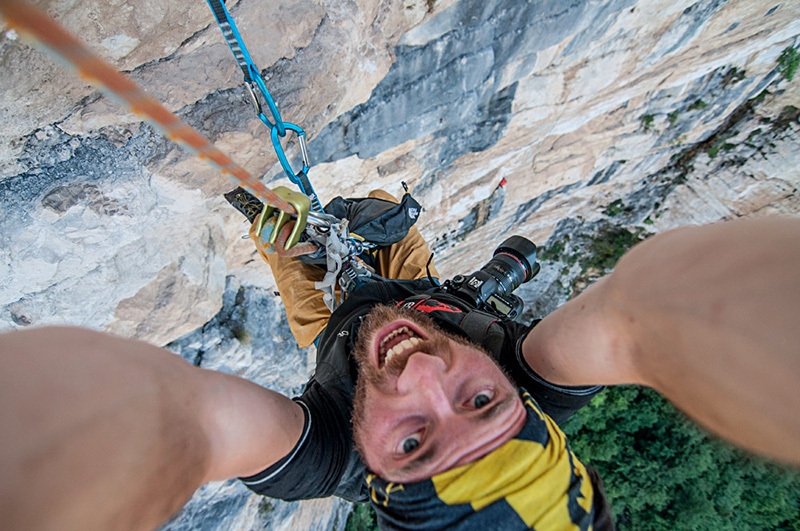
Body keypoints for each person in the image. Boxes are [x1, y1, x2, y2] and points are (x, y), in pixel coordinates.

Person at [1, 188, 798, 530]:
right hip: (425, 285)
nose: (420, 372)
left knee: (284, 222)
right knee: (383, 210)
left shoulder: (324, 456)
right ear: (527, 407)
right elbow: (645, 317)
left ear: (376, 476)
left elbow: (181, 420)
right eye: (483, 403)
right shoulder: (540, 377)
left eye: (414, 440)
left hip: (333, 310)